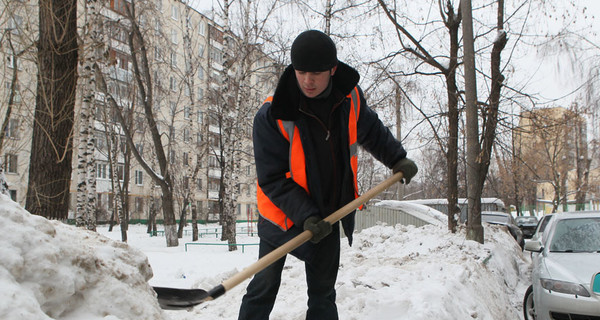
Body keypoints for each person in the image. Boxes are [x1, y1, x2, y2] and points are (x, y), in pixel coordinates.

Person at [238, 30, 418, 320]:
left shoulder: (349, 98)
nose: (308, 80)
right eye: (301, 72)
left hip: (329, 214)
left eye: (317, 73)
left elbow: (371, 131)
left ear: (333, 69)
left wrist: (397, 158)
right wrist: (305, 214)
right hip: (282, 217)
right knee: (264, 287)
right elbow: (272, 178)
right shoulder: (274, 114)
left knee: (323, 294)